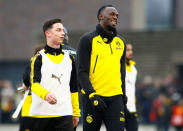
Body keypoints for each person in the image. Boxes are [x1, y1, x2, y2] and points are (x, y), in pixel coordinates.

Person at [77, 5, 127, 131]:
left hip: (116, 98)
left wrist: (123, 95)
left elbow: (122, 73)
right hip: (93, 97)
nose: (115, 17)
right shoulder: (87, 40)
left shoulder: (121, 42)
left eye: (116, 15)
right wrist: (91, 94)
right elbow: (81, 71)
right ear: (100, 16)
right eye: (111, 14)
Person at [30, 18, 80, 131]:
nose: (63, 33)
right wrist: (46, 95)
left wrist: (76, 112)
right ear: (48, 34)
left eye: (63, 30)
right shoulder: (39, 58)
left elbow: (73, 88)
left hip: (65, 113)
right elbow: (34, 84)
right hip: (41, 114)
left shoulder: (70, 59)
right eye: (58, 30)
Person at [125, 43, 138, 131]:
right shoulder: (118, 66)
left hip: (132, 108)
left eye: (131, 50)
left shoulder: (134, 69)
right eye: (128, 50)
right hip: (120, 107)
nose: (131, 52)